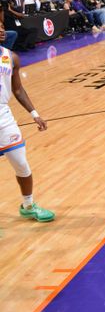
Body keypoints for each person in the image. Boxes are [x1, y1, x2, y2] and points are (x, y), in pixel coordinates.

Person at [0, 43, 53, 221]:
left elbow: (17, 89)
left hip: (4, 117)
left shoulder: (11, 57)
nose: (1, 30)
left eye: (1, 25)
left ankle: (28, 205)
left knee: (21, 164)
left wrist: (35, 114)